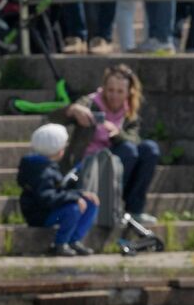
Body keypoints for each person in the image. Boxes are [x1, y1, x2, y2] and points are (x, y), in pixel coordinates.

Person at [64, 64, 160, 225]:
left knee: (149, 149)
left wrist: (116, 133)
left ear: (129, 92)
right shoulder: (90, 102)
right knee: (128, 151)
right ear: (104, 88)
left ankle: (134, 209)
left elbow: (134, 138)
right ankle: (112, 206)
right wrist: (74, 110)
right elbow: (60, 116)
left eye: (119, 91)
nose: (114, 96)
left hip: (118, 159)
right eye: (110, 90)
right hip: (90, 162)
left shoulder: (130, 111)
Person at [19, 123, 99, 257]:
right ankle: (60, 244)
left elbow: (58, 191)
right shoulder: (41, 171)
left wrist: (79, 194)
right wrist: (75, 197)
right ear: (58, 149)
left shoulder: (48, 166)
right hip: (40, 215)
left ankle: (74, 240)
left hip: (51, 210)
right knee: (74, 209)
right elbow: (47, 197)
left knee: (90, 202)